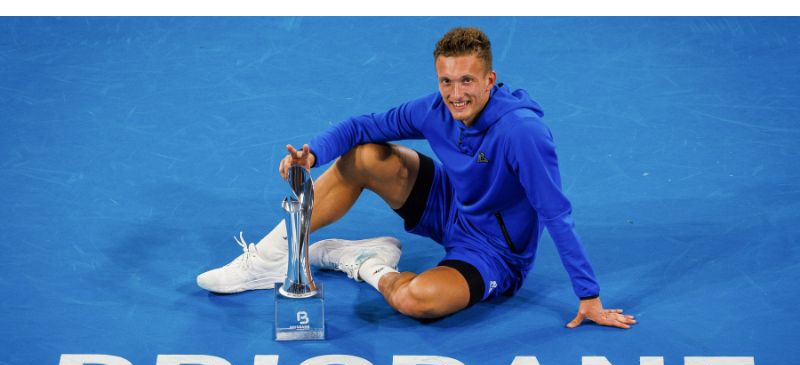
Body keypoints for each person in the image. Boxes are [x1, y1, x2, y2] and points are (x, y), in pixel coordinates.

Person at [197, 27, 636, 330]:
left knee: (413, 300)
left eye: (467, 81)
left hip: (494, 253)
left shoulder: (522, 133)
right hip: (449, 207)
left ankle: (364, 262)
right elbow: (361, 127)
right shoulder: (436, 108)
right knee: (366, 155)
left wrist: (589, 295)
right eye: (446, 81)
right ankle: (275, 254)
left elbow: (556, 214)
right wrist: (313, 153)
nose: (456, 94)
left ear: (490, 80)